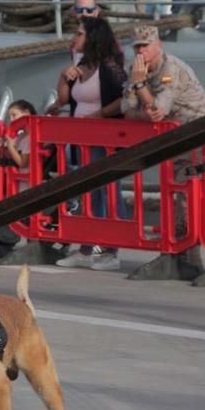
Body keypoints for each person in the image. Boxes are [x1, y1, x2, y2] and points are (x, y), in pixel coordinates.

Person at [122, 23, 205, 275]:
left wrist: (140, 87)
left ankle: (192, 259)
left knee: (186, 194)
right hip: (171, 139)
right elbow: (126, 111)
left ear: (158, 45)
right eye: (137, 47)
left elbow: (158, 111)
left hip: (196, 133)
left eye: (145, 46)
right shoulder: (136, 70)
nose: (141, 52)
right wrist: (141, 100)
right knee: (173, 193)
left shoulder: (170, 68)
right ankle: (176, 252)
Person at [48, 17, 128, 271]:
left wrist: (100, 115)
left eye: (80, 33)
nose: (76, 37)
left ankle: (110, 250)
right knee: (86, 190)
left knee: (107, 189)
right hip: (80, 137)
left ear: (92, 37)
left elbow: (124, 98)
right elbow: (64, 98)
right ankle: (85, 246)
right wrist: (63, 77)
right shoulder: (80, 64)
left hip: (104, 138)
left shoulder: (110, 66)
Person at [2, 100, 36, 193]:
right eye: (9, 117)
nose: (11, 120)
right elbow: (11, 155)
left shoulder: (30, 138)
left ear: (26, 113)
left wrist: (10, 147)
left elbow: (22, 163)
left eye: (14, 115)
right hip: (20, 179)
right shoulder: (21, 136)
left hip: (28, 182)